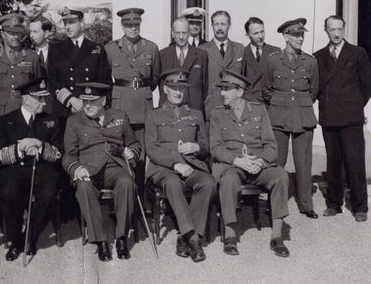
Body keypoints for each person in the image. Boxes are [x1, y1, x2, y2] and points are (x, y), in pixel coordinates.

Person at [209, 70, 290, 257]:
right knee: (228, 179)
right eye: (221, 89)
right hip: (232, 164)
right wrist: (238, 161)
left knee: (280, 176)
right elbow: (215, 147)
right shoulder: (217, 114)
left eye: (226, 89)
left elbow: (271, 146)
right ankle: (229, 235)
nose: (222, 93)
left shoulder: (259, 110)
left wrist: (260, 161)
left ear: (239, 91)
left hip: (256, 164)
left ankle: (277, 236)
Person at [62, 82, 140, 261]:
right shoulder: (74, 122)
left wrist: (131, 153)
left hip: (115, 167)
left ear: (104, 100)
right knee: (83, 187)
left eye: (93, 101)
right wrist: (77, 168)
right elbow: (68, 155)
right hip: (88, 169)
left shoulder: (120, 116)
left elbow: (134, 143)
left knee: (127, 182)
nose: (87, 105)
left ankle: (121, 237)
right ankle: (101, 240)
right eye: (85, 101)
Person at [145, 69, 215, 263]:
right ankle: (193, 238)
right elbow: (151, 148)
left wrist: (197, 146)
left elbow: (206, 146)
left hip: (192, 165)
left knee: (208, 182)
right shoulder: (154, 114)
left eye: (182, 89)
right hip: (164, 168)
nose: (178, 93)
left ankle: (183, 237)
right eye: (174, 88)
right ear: (165, 89)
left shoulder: (195, 114)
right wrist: (175, 164)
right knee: (173, 184)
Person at [0, 77, 63, 261]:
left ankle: (29, 238)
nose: (44, 102)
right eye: (40, 99)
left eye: (44, 98)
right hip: (15, 170)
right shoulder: (5, 121)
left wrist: (39, 145)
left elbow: (59, 154)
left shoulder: (52, 121)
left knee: (48, 195)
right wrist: (19, 148)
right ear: (25, 99)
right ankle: (15, 240)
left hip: (43, 170)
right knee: (8, 193)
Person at [314, 15, 371, 222]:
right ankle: (334, 203)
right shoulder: (318, 56)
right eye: (332, 29)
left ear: (344, 29)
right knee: (333, 163)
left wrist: (353, 105)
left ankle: (360, 206)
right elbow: (316, 87)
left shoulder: (358, 53)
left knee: (355, 162)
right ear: (326, 30)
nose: (336, 33)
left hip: (351, 117)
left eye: (339, 29)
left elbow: (366, 86)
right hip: (329, 117)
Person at [262, 18, 319, 219]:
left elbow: (314, 91)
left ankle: (306, 204)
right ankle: (274, 202)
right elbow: (266, 89)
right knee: (277, 161)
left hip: (303, 116)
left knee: (304, 162)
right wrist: (281, 103)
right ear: (285, 36)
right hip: (278, 116)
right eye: (296, 35)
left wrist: (299, 104)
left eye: (302, 35)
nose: (300, 38)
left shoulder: (310, 61)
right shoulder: (273, 60)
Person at [104, 7, 159, 195]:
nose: (133, 28)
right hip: (120, 105)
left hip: (142, 106)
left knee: (141, 153)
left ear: (140, 24)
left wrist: (140, 92)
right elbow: (106, 77)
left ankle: (142, 196)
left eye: (136, 24)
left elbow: (154, 79)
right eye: (128, 25)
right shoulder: (111, 48)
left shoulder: (151, 47)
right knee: (120, 149)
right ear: (122, 25)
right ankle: (122, 192)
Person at [47, 7, 111, 122]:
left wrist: (86, 102)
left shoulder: (96, 49)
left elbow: (104, 80)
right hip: (64, 111)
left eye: (71, 22)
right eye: (65, 23)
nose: (67, 27)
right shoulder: (56, 49)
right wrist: (72, 100)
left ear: (81, 22)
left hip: (90, 109)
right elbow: (53, 81)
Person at [0, 13, 41, 118]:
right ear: (3, 34)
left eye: (18, 33)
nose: (15, 37)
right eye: (11, 33)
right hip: (0, 112)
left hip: (24, 110)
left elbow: (37, 88)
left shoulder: (32, 58)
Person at [199, 10, 244, 120]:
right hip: (211, 107)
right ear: (212, 26)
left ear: (229, 25)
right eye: (216, 24)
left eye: (223, 24)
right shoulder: (202, 50)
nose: (219, 28)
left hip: (235, 108)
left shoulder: (239, 48)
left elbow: (244, 78)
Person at [159, 17, 208, 113]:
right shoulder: (162, 55)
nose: (181, 37)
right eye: (178, 33)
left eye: (184, 33)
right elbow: (158, 83)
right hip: (168, 111)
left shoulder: (201, 54)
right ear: (173, 33)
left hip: (194, 109)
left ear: (189, 33)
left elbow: (205, 86)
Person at [242, 17, 280, 103]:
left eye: (262, 32)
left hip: (269, 104)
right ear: (247, 35)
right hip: (249, 104)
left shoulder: (276, 52)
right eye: (255, 33)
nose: (260, 36)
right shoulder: (242, 53)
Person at [29, 16, 56, 114]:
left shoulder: (59, 53)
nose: (31, 35)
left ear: (47, 33)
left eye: (35, 32)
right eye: (30, 31)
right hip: (32, 107)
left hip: (54, 107)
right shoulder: (26, 53)